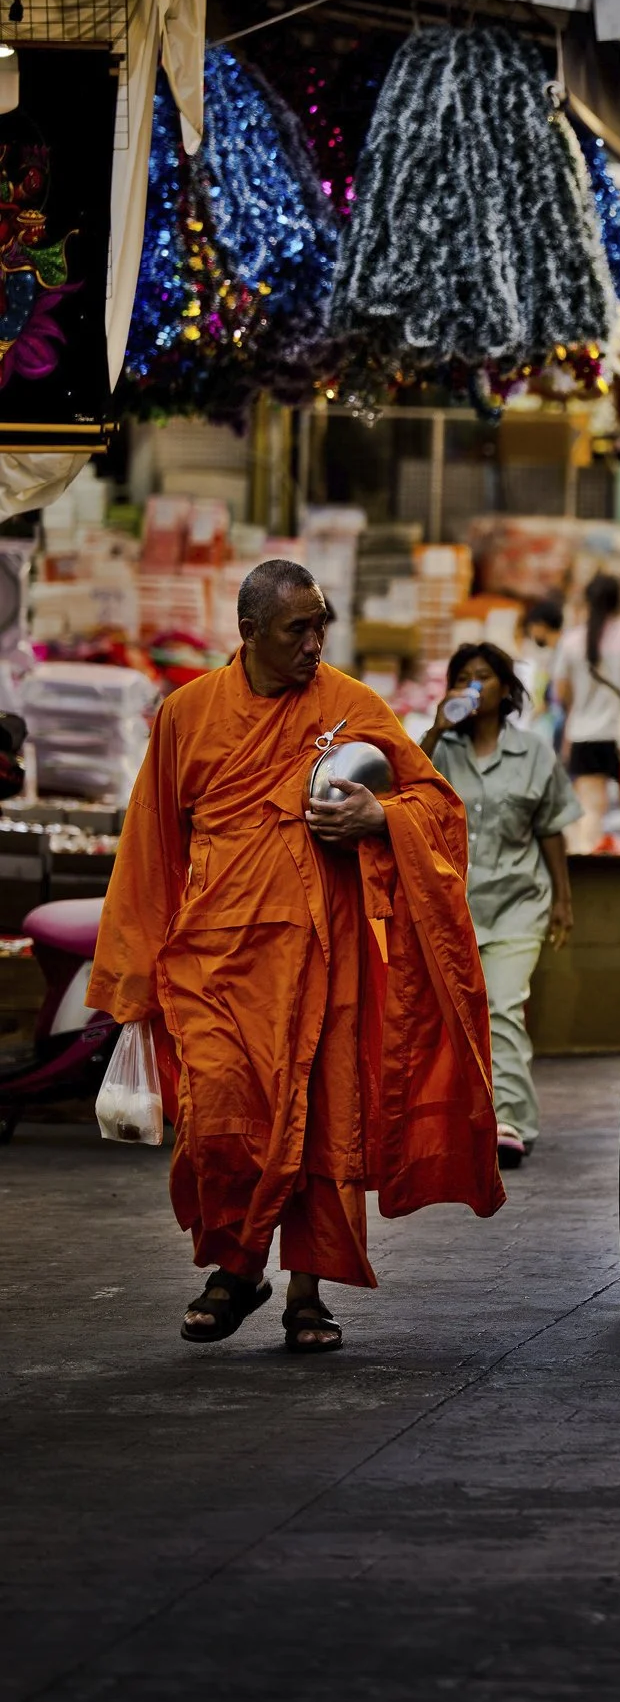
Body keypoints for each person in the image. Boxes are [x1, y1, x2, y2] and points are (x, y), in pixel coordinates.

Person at [89, 561, 500, 1355]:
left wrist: (382, 817)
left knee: (319, 1125)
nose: (315, 644)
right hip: (215, 960)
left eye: (322, 627)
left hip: (322, 955)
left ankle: (306, 1293)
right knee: (219, 1123)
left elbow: (436, 809)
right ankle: (239, 1268)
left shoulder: (350, 706)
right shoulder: (188, 713)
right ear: (248, 634)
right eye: (296, 631)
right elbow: (152, 846)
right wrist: (133, 980)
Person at [422, 642, 579, 1169]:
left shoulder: (535, 751)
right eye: (462, 677)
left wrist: (562, 900)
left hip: (519, 900)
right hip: (454, 905)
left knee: (504, 1005)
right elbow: (403, 790)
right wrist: (437, 729)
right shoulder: (440, 751)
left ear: (506, 689)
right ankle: (460, 1117)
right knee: (455, 1015)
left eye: (483, 676)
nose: (472, 685)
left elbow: (551, 827)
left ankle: (510, 1119)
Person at [552, 573, 620, 854]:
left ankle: (589, 874)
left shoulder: (571, 642)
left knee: (590, 810)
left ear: (587, 602)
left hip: (585, 734)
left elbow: (561, 692)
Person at [517, 594, 568, 745]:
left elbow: (559, 696)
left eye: (531, 627)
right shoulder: (557, 653)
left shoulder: (564, 652)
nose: (531, 633)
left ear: (541, 625)